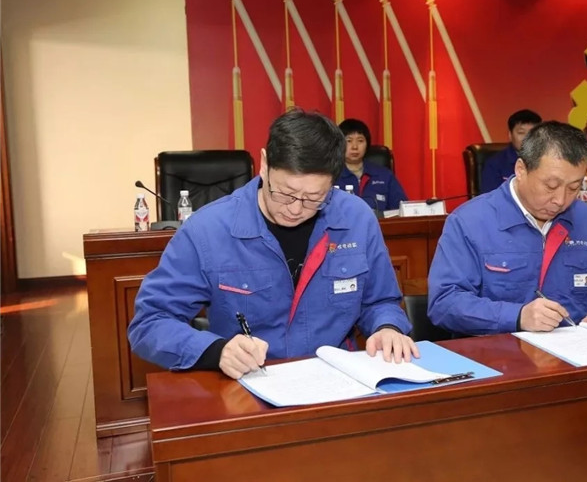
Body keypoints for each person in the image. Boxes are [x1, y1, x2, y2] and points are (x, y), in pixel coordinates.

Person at [128, 110, 418, 379]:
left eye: (314, 198)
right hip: (246, 384)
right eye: (285, 193)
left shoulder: (356, 218)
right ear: (265, 164)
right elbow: (150, 322)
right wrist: (216, 351)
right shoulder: (208, 229)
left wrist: (387, 327)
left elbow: (381, 301)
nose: (296, 209)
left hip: (336, 381)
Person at [428, 120, 587, 335]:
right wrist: (517, 316)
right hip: (500, 350)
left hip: (575, 347)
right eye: (551, 186)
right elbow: (444, 303)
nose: (560, 200)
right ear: (521, 169)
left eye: (573, 188)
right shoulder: (470, 222)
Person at [335, 118, 408, 213]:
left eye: (360, 141)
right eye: (349, 141)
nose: (355, 147)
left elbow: (402, 210)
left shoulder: (384, 175)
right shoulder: (331, 175)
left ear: (367, 144)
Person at [480, 109, 542, 194]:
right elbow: (490, 197)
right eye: (521, 133)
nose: (527, 138)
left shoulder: (548, 160)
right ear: (510, 135)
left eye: (532, 133)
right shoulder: (495, 164)